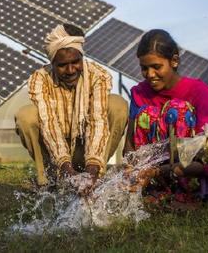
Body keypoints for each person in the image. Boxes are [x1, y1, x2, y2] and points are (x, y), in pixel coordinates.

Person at [15, 23, 128, 188]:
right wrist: (65, 167)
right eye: (62, 65)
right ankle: (49, 181)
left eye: (75, 61)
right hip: (54, 150)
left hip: (87, 147)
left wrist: (92, 168)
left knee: (117, 105)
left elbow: (98, 122)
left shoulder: (98, 76)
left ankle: (96, 179)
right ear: (52, 63)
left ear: (82, 56)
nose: (70, 70)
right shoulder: (41, 78)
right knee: (26, 116)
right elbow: (49, 125)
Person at [124, 29, 208, 200]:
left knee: (177, 111)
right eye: (144, 68)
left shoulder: (199, 92)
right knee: (147, 114)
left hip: (194, 172)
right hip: (152, 176)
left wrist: (159, 171)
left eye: (156, 67)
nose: (150, 74)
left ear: (174, 61)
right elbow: (130, 144)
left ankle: (188, 194)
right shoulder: (139, 93)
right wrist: (131, 171)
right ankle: (157, 190)